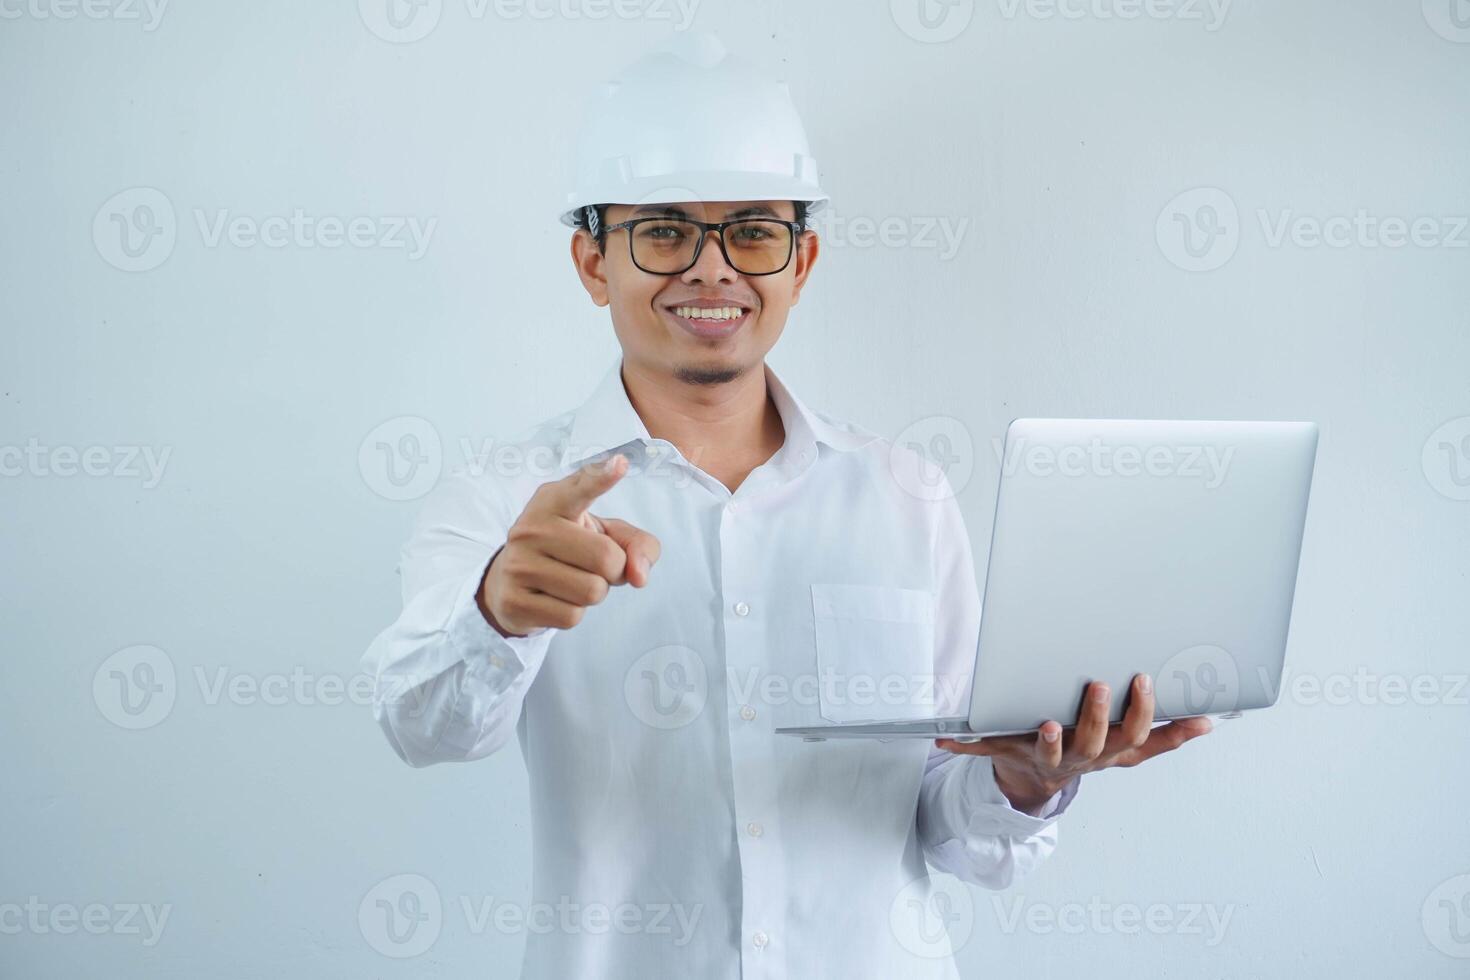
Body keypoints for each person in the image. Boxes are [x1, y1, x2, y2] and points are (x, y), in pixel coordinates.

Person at [361, 32, 1212, 980]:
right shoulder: (504, 498)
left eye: (753, 230)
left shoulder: (903, 497)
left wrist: (1027, 778)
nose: (713, 269)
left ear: (800, 264)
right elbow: (419, 725)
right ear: (593, 262)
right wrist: (497, 614)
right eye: (664, 229)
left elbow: (949, 817)